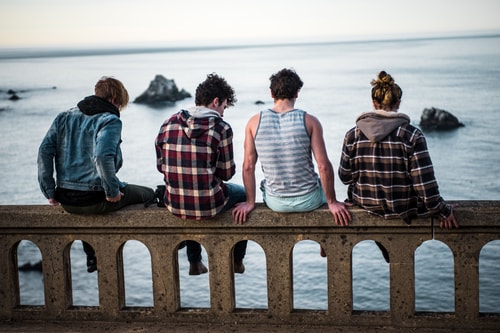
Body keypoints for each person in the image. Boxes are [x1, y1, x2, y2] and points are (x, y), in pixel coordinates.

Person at [38, 76, 156, 273]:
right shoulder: (110, 120)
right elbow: (102, 157)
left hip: (66, 200)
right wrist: (112, 191)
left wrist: (49, 191)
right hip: (95, 198)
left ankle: (91, 254)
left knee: (91, 203)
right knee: (148, 194)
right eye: (119, 104)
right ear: (113, 100)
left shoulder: (63, 117)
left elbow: (44, 152)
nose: (119, 109)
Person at [232, 68, 351, 233]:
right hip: (310, 200)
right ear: (297, 93)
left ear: (271, 93)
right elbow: (323, 166)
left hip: (276, 203)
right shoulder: (309, 121)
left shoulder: (254, 122)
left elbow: (248, 166)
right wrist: (332, 202)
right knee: (322, 191)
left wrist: (250, 202)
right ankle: (325, 245)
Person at [338, 70, 458, 230]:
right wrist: (443, 210)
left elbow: (345, 177)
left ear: (374, 103)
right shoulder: (412, 135)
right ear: (398, 102)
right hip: (405, 208)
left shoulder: (353, 134)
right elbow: (424, 184)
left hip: (366, 206)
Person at [155, 73, 248, 275]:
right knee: (244, 195)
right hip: (209, 205)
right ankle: (237, 260)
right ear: (216, 102)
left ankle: (194, 261)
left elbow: (161, 166)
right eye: (224, 106)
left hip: (174, 203)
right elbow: (226, 173)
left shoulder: (168, 123)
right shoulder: (221, 128)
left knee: (186, 190)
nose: (223, 113)